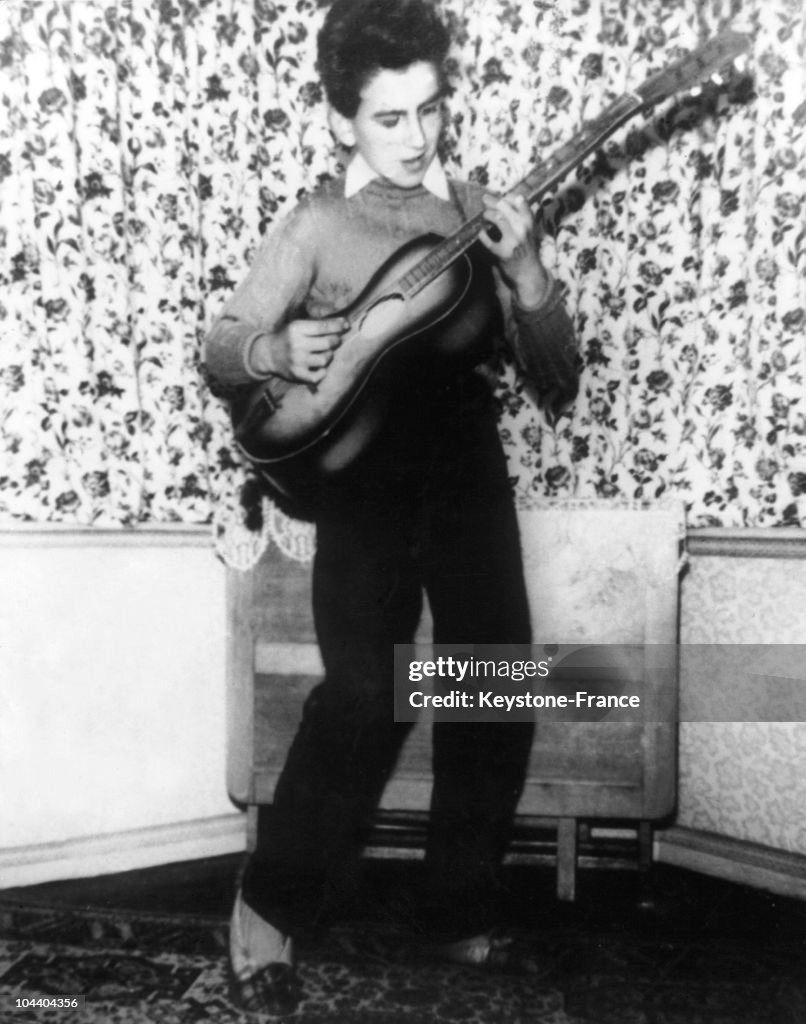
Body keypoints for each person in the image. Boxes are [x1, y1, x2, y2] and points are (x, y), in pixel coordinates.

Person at [205, 0, 579, 1014]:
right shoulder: (319, 223)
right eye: (388, 117)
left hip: (465, 468)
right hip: (364, 480)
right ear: (341, 120)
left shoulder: (480, 210)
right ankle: (268, 912)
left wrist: (526, 272)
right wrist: (274, 348)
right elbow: (222, 342)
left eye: (431, 109)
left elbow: (556, 374)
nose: (417, 138)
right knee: (365, 694)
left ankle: (455, 910)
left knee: (491, 685)